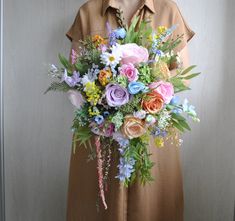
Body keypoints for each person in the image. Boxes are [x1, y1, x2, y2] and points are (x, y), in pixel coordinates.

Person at [65, 0, 195, 220]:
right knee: (97, 207)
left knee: (152, 206)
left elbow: (182, 75)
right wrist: (106, 94)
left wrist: (147, 93)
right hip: (101, 132)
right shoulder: (88, 12)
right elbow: (75, 76)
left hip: (153, 134)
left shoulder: (168, 10)